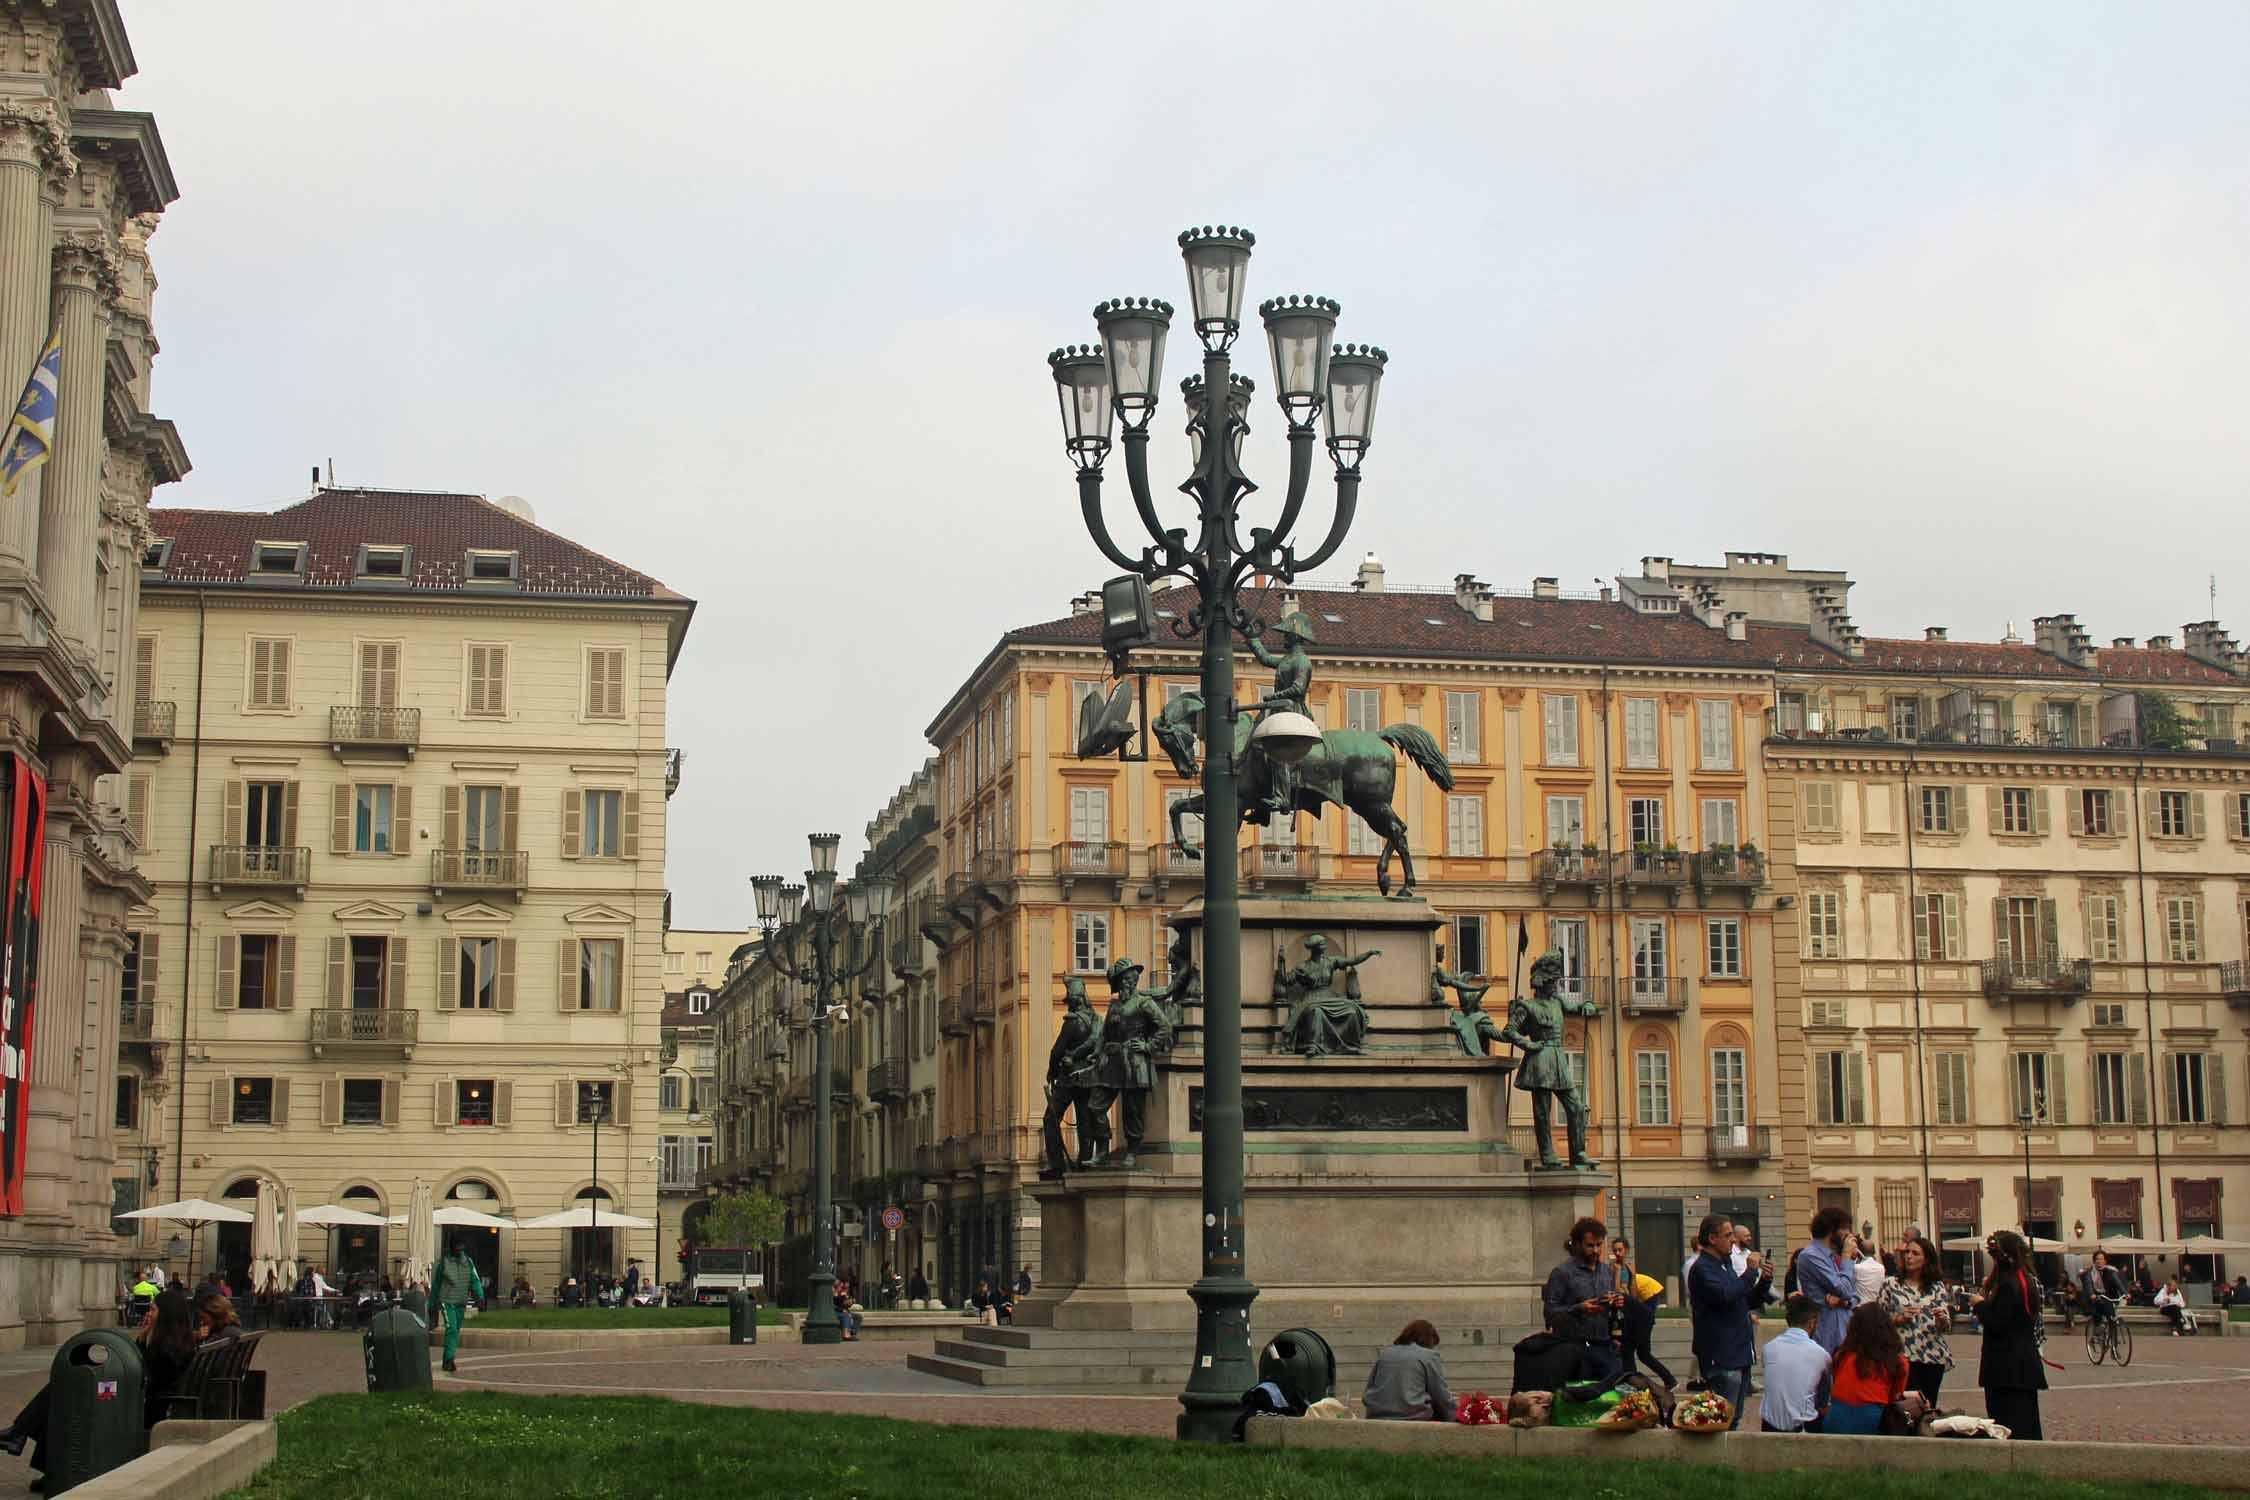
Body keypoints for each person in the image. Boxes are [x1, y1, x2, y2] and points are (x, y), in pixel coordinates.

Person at [1, 1287, 198, 1476]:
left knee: (66, 1389)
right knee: (67, 1387)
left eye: (153, 1310)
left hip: (137, 1408)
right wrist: (145, 1335)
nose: (149, 1313)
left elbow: (135, 1373)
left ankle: (23, 1436)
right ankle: (22, 1437)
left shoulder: (165, 1351)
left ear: (166, 1316)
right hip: (138, 1401)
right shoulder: (174, 1343)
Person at [1687, 1213, 1769, 1429]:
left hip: (1739, 1354)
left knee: (1735, 1418)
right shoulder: (1702, 1269)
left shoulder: (1726, 1265)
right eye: (1728, 1235)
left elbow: (1744, 1300)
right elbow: (1726, 1295)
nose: (1734, 1240)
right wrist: (1750, 1272)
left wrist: (1764, 1282)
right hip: (1721, 1357)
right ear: (1712, 1239)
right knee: (1723, 1420)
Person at [1974, 1229, 2046, 1441]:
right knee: (2027, 1422)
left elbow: (1997, 1322)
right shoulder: (2028, 1280)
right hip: (2023, 1363)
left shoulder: (2007, 1285)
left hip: (2007, 1366)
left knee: (2009, 1424)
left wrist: (1979, 1305)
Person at [1542, 1216, 1623, 1383]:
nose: (1595, 1250)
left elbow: (1614, 1306)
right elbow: (1550, 1312)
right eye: (1590, 1245)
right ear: (1577, 1244)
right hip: (1574, 1349)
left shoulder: (1606, 1271)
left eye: (1599, 1245)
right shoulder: (1562, 1273)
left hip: (1604, 1346)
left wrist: (1616, 1303)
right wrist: (1578, 1308)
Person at [1881, 1233, 1954, 1406]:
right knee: (1904, 1406)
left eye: (1915, 1253)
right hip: (1904, 1356)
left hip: (1932, 1357)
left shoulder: (1936, 1287)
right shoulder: (1891, 1284)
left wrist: (1942, 1319)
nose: (1909, 1257)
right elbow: (1878, 1321)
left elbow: (1946, 1327)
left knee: (1928, 1407)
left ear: (1926, 1259)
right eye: (1907, 1252)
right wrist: (1898, 1318)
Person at [1824, 1303, 1908, 1435]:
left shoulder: (1841, 1356)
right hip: (1871, 1420)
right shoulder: (1897, 1362)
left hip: (1835, 1419)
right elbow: (1894, 1398)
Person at [1758, 1294, 1829, 1433]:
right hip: (1805, 1427)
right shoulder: (1821, 1355)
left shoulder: (1768, 1348)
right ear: (1812, 1323)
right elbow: (1825, 1398)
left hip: (1769, 1428)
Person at [1609, 1238, 1675, 1387]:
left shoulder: (1628, 1267)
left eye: (1620, 1250)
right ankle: (1635, 1382)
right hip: (1622, 1314)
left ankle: (1638, 1382)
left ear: (1626, 1250)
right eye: (1615, 1250)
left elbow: (1633, 1295)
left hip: (1634, 1314)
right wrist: (1618, 1274)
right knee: (1632, 1351)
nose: (1618, 1253)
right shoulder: (1613, 1268)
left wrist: (1631, 1278)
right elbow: (1616, 1292)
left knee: (1637, 1352)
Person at [1362, 1319, 1455, 1421]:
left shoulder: (1385, 1354)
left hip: (1376, 1416)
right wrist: (1458, 1417)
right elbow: (1441, 1396)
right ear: (1429, 1340)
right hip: (1413, 1417)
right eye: (1433, 1345)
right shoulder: (1429, 1356)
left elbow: (1369, 1389)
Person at [1797, 1207, 1858, 1352]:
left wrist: (1845, 1301)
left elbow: (1854, 1295)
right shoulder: (1811, 1256)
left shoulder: (1834, 1257)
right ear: (1832, 1230)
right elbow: (1844, 1290)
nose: (1849, 1234)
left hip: (1844, 1331)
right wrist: (1846, 1257)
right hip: (1826, 1335)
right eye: (1845, 1229)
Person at [433, 1239, 485, 1373]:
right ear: (452, 1249)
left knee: (455, 1330)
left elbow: (475, 1280)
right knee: (452, 1329)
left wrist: (480, 1296)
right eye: (457, 1248)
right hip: (447, 1301)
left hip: (461, 1302)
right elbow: (437, 1284)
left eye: (461, 1248)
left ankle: (447, 1359)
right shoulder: (444, 1263)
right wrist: (432, 1302)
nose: (459, 1251)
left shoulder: (468, 1262)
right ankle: (449, 1359)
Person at [1850, 1235, 1885, 1304]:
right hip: (1876, 1307)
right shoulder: (1881, 1268)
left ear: (1859, 1253)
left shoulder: (1856, 1268)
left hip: (1861, 1308)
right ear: (1874, 1252)